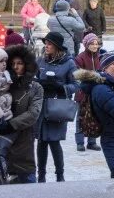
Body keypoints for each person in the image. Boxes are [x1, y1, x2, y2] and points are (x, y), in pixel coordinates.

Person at [35, 31, 78, 182]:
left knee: (54, 141)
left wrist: (61, 88)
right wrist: (39, 83)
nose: (46, 46)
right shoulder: (40, 61)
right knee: (41, 141)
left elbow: (76, 84)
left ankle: (60, 175)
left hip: (57, 107)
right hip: (41, 106)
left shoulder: (69, 63)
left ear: (57, 47)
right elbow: (33, 80)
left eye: (49, 43)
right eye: (45, 43)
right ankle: (41, 175)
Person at [1, 44, 44, 184]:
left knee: (26, 173)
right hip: (2, 137)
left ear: (27, 64)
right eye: (12, 63)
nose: (15, 67)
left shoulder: (35, 87)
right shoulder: (3, 85)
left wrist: (11, 125)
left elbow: (33, 113)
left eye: (19, 63)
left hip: (24, 137)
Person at [73, 32, 102, 152]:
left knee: (94, 116)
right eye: (92, 44)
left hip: (96, 93)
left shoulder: (100, 57)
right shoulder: (80, 58)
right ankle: (80, 142)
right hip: (83, 92)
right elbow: (77, 76)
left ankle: (92, 141)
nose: (95, 46)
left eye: (96, 44)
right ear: (86, 45)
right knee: (81, 116)